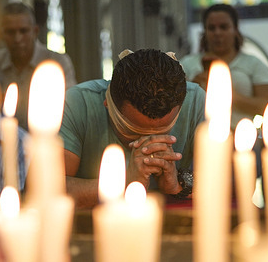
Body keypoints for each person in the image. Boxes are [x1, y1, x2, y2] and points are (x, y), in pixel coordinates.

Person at [60, 49, 206, 208]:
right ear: (107, 103)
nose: (149, 145)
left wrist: (177, 184)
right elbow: (50, 188)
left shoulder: (196, 102)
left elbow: (222, 178)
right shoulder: (78, 104)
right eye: (133, 132)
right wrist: (125, 181)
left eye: (163, 133)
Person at [180, 3, 268, 130]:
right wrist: (193, 89)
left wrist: (227, 94)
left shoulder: (254, 64)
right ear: (205, 32)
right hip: (199, 135)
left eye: (224, 27)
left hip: (241, 135)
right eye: (211, 28)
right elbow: (173, 104)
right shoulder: (187, 64)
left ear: (235, 29)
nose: (217, 33)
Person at [0, 2, 77, 130]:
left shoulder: (56, 63)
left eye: (23, 31)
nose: (17, 38)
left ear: (35, 31)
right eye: (10, 32)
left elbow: (70, 110)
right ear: (1, 34)